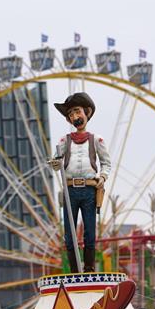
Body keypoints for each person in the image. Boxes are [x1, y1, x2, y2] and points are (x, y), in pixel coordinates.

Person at [48, 92, 111, 273]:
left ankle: (89, 268)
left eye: (77, 112)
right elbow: (55, 161)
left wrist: (102, 177)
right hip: (70, 191)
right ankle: (75, 270)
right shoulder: (64, 141)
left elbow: (106, 163)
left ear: (87, 112)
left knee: (90, 231)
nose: (75, 116)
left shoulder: (96, 140)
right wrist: (55, 163)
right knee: (69, 234)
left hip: (90, 190)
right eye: (71, 114)